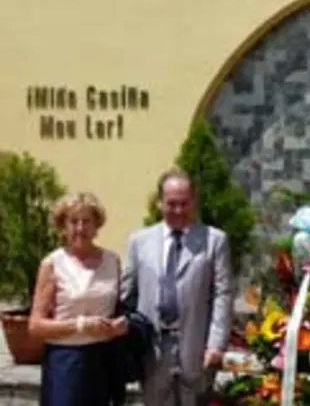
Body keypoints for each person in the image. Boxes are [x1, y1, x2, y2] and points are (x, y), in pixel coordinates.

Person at [120, 168, 234, 405]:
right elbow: (127, 295)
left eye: (184, 203)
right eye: (172, 204)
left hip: (195, 347)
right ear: (160, 203)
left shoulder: (214, 241)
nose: (179, 210)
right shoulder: (139, 242)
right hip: (153, 351)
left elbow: (223, 294)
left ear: (194, 202)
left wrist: (216, 344)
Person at [29, 192, 128, 405]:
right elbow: (35, 326)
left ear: (96, 225)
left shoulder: (113, 261)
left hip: (104, 359)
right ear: (63, 227)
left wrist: (120, 325)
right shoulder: (53, 263)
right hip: (66, 361)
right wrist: (81, 325)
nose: (80, 228)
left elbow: (119, 308)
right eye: (73, 221)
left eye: (87, 221)